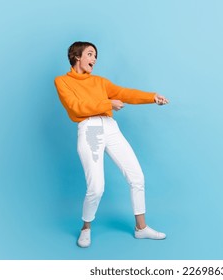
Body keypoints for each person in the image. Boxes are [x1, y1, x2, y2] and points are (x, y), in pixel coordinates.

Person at [54, 41, 169, 248]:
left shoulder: (100, 81)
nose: (94, 59)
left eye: (96, 56)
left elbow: (124, 93)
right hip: (90, 130)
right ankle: (86, 228)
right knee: (96, 187)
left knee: (137, 177)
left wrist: (152, 97)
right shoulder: (62, 81)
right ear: (77, 56)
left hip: (110, 128)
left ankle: (141, 229)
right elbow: (75, 107)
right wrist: (108, 103)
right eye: (90, 54)